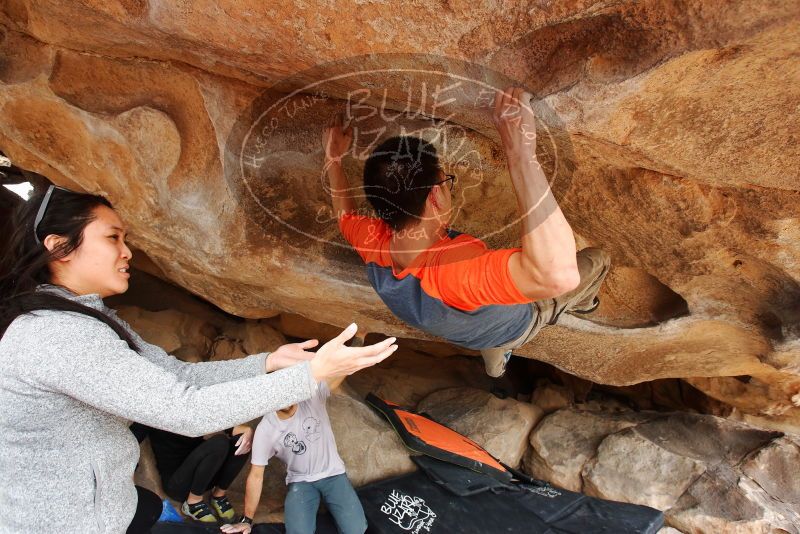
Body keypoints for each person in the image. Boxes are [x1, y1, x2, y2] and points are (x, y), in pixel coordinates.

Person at [0, 185, 398, 534]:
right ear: (58, 246)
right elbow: (186, 412)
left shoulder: (85, 318)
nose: (128, 251)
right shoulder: (54, 335)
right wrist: (311, 374)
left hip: (109, 509)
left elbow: (177, 373)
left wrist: (266, 363)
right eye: (113, 238)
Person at [323, 87, 610, 377]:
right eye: (446, 181)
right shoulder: (454, 271)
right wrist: (521, 155)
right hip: (517, 322)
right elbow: (559, 274)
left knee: (479, 321)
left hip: (465, 328)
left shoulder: (372, 243)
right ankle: (583, 305)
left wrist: (333, 159)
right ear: (435, 196)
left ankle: (495, 356)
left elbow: (344, 215)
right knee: (597, 260)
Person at [219, 375, 365, 534]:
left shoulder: (311, 396)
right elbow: (256, 476)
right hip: (300, 482)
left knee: (356, 529)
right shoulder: (266, 429)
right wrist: (247, 520)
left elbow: (337, 372)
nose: (286, 396)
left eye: (288, 389)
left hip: (334, 474)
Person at [130, 422, 254, 523]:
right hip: (177, 482)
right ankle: (193, 503)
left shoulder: (193, 403)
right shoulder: (153, 410)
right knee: (219, 443)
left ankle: (218, 495)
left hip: (205, 473)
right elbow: (129, 442)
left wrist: (246, 430)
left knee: (243, 440)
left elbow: (223, 422)